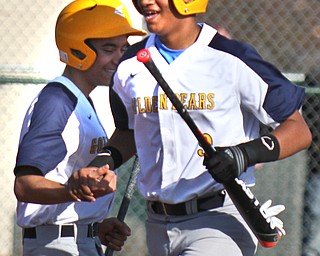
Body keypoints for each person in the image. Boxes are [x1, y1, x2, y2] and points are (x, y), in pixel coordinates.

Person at [92, 0, 312, 255]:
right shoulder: (129, 64)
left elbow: (298, 129)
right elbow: (128, 132)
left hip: (217, 221)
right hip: (157, 224)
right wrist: (101, 162)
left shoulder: (230, 57)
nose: (145, 1)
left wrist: (242, 154)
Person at [13, 0, 146, 255]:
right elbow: (25, 185)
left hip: (74, 241)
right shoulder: (57, 101)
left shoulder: (80, 99)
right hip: (55, 245)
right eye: (109, 48)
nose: (120, 58)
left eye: (123, 48)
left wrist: (95, 226)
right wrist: (69, 190)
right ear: (78, 50)